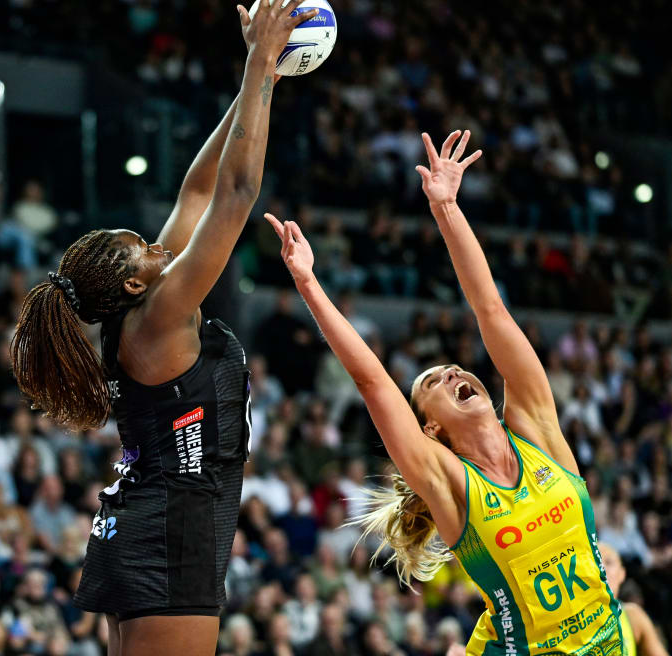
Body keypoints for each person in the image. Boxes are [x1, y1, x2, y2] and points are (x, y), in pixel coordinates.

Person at [8, 3, 317, 655]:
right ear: (131, 283)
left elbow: (198, 194)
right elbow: (235, 196)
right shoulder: (161, 314)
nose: (158, 246)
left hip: (152, 523)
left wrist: (257, 80)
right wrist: (261, 63)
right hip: (171, 534)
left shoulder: (144, 306)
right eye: (142, 247)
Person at [264, 129, 622, 656]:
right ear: (430, 426)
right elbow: (371, 381)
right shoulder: (448, 480)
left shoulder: (538, 430)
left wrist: (448, 209)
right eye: (433, 381)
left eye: (455, 370)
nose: (454, 373)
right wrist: (311, 287)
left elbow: (490, 310)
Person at [600, 543, 669, 656]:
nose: (602, 567)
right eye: (596, 562)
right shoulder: (570, 618)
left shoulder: (633, 616)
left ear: (622, 574)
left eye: (609, 562)